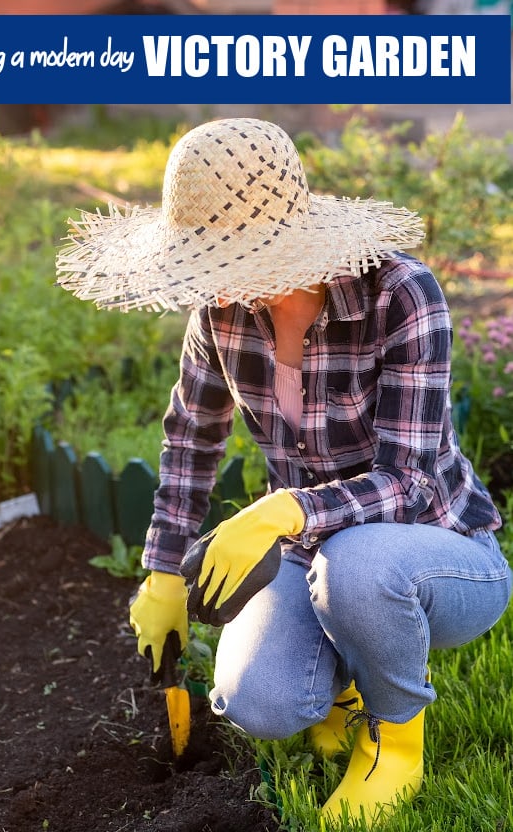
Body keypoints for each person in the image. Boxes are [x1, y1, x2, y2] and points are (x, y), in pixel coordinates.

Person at [56, 117, 512, 826]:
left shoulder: (399, 294)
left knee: (357, 563)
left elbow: (411, 484)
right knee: (257, 702)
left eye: (228, 260)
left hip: (437, 553)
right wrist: (163, 571)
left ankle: (395, 744)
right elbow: (191, 437)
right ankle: (344, 686)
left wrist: (284, 511)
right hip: (311, 555)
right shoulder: (222, 312)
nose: (218, 283)